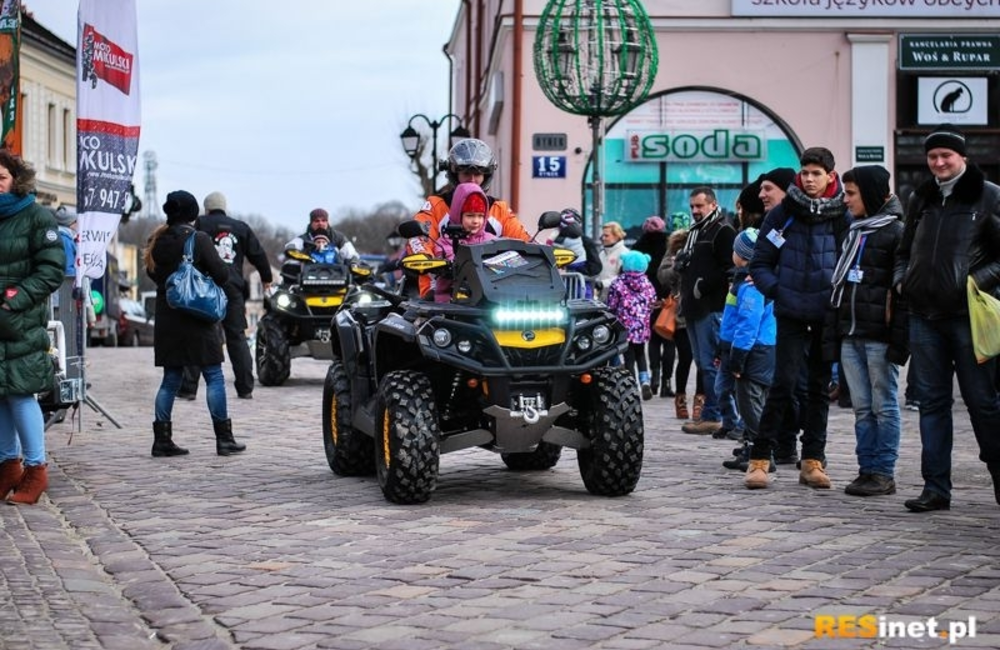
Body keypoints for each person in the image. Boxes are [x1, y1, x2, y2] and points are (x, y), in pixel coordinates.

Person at [893, 124, 1000, 512]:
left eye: (946, 156)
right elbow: (903, 251)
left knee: (982, 403)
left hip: (967, 317)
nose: (938, 162)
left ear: (962, 159)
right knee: (932, 404)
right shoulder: (920, 197)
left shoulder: (988, 197)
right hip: (924, 316)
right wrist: (902, 281)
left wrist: (974, 281)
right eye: (933, 156)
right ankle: (935, 488)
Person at [747, 147, 851, 489]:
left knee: (819, 390)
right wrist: (779, 291)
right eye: (805, 173)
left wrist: (837, 300)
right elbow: (759, 263)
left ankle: (813, 462)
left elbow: (850, 265)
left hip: (826, 313)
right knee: (784, 384)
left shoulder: (842, 217)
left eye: (816, 173)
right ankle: (760, 459)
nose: (809, 179)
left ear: (830, 177)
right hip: (790, 310)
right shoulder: (782, 215)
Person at [144, 190, 246, 458]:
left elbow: (153, 274)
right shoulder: (198, 239)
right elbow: (222, 274)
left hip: (168, 319)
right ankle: (224, 439)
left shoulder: (156, 241)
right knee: (213, 376)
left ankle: (161, 440)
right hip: (198, 319)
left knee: (170, 380)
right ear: (192, 214)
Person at [828, 165, 907, 497]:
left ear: (870, 194)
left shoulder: (895, 232)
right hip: (851, 332)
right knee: (861, 408)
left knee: (883, 406)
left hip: (879, 335)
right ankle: (866, 469)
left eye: (851, 194)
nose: (845, 200)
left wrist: (899, 339)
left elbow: (902, 293)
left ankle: (883, 472)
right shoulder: (854, 231)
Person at [0, 151, 65, 504]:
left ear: (15, 179)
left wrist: (15, 300)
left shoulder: (37, 216)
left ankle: (36, 470)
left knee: (21, 393)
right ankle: (8, 467)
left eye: (1, 177)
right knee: (0, 393)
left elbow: (52, 269)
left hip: (19, 319)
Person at [178, 192, 273, 401]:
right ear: (224, 207)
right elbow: (258, 253)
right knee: (237, 336)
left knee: (197, 334)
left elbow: (185, 249)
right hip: (233, 288)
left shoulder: (200, 224)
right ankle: (245, 388)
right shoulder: (240, 227)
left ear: (207, 209)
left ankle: (188, 388)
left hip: (204, 288)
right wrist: (266, 277)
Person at [408, 138, 529, 297]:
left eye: (477, 174)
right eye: (466, 173)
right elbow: (418, 238)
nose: (472, 180)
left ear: (486, 175)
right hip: (441, 291)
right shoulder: (437, 205)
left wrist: (547, 253)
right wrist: (426, 258)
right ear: (454, 173)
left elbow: (525, 241)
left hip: (493, 292)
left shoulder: (499, 209)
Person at [706, 228, 777, 481]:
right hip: (742, 348)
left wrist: (738, 357)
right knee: (748, 402)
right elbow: (732, 322)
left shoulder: (752, 286)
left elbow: (748, 324)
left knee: (751, 403)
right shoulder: (742, 281)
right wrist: (723, 348)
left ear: (743, 255)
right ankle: (751, 447)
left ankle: (763, 452)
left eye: (735, 250)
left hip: (754, 350)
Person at [756, 166, 808, 466]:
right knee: (783, 383)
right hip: (779, 310)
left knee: (800, 384)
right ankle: (784, 444)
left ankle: (808, 447)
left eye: (768, 189)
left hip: (806, 312)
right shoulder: (772, 221)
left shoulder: (802, 220)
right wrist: (774, 287)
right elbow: (762, 262)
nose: (762, 195)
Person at [675, 186, 736, 435]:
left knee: (710, 364)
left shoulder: (722, 231)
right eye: (692, 207)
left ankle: (716, 414)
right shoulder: (696, 232)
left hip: (710, 306)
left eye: (699, 206)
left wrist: (704, 285)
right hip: (693, 305)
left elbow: (729, 268)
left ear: (713, 205)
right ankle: (714, 413)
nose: (695, 211)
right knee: (702, 362)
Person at [658, 222, 701, 417]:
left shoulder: (708, 244)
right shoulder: (676, 246)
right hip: (682, 310)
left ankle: (701, 400)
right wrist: (678, 266)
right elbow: (663, 275)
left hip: (704, 308)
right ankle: (681, 398)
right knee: (685, 356)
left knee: (704, 360)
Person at [606, 250, 657, 399]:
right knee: (640, 354)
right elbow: (652, 301)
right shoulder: (647, 283)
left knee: (628, 358)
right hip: (641, 326)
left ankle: (631, 385)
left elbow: (612, 304)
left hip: (624, 327)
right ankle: (645, 381)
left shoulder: (618, 282)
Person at [434, 183, 497, 302]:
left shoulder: (491, 240)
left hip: (486, 298)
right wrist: (450, 262)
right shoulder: (446, 242)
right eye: (470, 215)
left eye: (480, 216)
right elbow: (449, 259)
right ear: (458, 214)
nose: (476, 221)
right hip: (451, 298)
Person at [631, 215, 672, 396]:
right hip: (668, 298)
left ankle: (654, 376)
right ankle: (666, 383)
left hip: (646, 300)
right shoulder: (669, 244)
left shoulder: (638, 246)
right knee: (670, 339)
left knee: (654, 340)